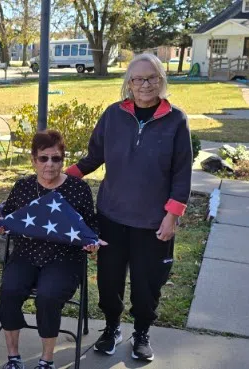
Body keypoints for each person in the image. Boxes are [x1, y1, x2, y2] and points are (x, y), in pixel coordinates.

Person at [64, 53, 192, 362]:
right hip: (111, 215)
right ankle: (111, 328)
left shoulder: (176, 119)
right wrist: (57, 178)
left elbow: (182, 172)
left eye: (151, 78)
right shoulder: (113, 115)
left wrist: (172, 215)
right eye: (138, 79)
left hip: (152, 221)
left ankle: (142, 332)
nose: (145, 84)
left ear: (161, 81)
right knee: (109, 279)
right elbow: (93, 157)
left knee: (147, 284)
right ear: (129, 83)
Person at [0, 130, 105, 369]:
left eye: (56, 158)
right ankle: (13, 357)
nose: (50, 165)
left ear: (63, 160)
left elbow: (90, 227)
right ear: (33, 160)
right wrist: (3, 225)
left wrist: (92, 242)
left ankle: (47, 360)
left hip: (64, 258)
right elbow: (9, 217)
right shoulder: (23, 187)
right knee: (9, 291)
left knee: (48, 296)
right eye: (43, 158)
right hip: (26, 254)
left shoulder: (78, 189)